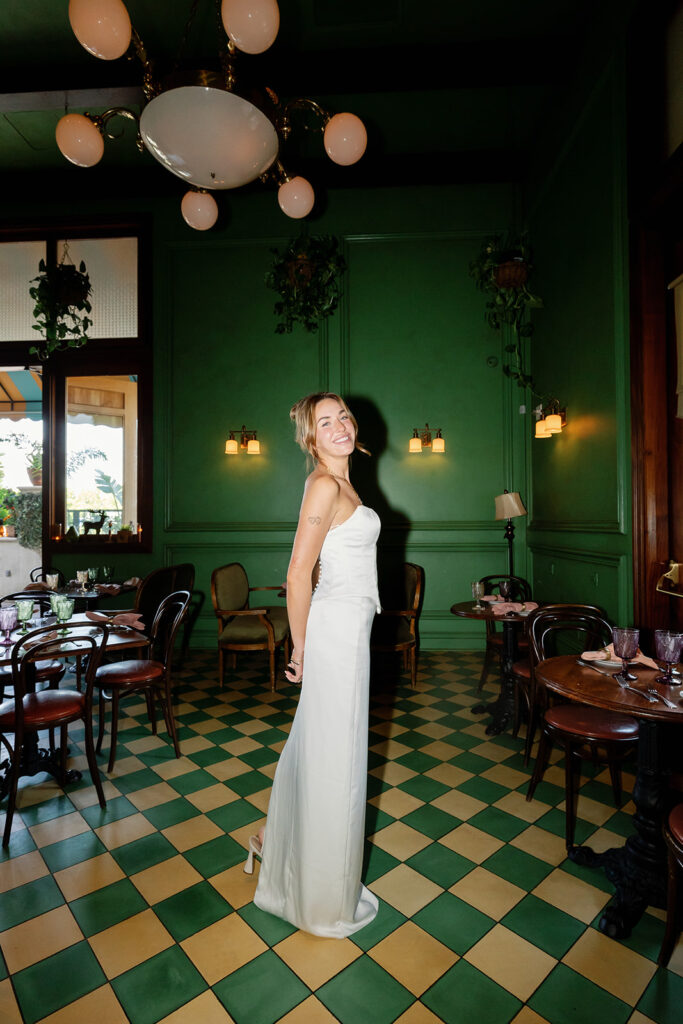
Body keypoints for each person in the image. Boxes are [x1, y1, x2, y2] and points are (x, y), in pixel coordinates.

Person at [245, 392, 381, 938]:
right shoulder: (326, 483)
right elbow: (298, 573)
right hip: (334, 636)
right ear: (311, 437)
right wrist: (300, 649)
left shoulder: (344, 482)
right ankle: (318, 894)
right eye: (325, 422)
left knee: (323, 750)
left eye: (343, 416)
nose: (340, 426)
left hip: (351, 631)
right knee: (335, 761)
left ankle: (274, 847)